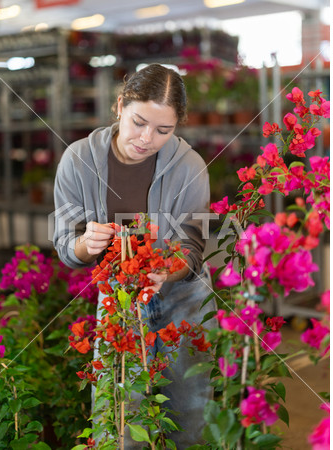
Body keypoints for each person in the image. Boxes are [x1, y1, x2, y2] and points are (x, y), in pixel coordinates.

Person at [53, 63, 216, 448]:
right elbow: (65, 242)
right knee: (118, 417)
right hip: (120, 297)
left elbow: (193, 247)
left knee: (189, 416)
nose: (147, 139)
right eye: (139, 122)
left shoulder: (189, 165)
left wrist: (167, 270)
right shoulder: (78, 161)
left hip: (182, 301)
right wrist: (84, 244)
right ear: (120, 105)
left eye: (164, 130)